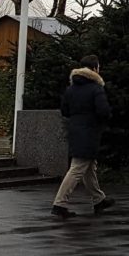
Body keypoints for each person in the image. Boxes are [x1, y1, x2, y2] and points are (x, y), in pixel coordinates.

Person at [51, 55, 114, 220]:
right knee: (78, 168)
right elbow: (103, 111)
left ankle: (99, 199)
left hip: (75, 130)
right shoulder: (96, 89)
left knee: (89, 167)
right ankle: (59, 203)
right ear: (94, 68)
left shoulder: (71, 89)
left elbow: (64, 110)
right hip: (90, 131)